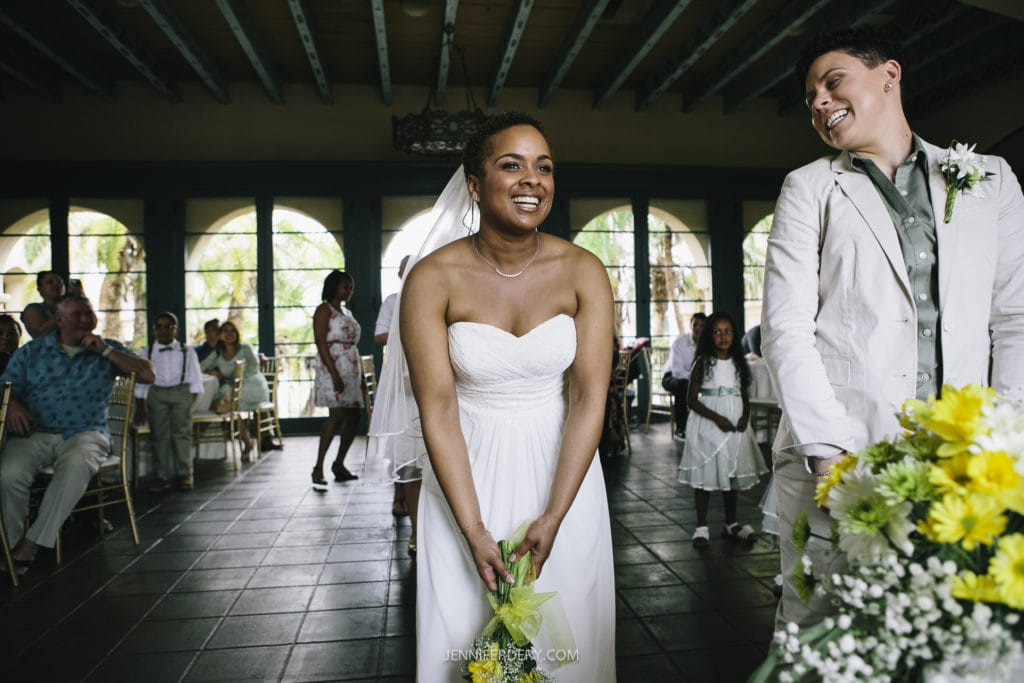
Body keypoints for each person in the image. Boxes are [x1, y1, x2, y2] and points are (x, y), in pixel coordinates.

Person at [761, 28, 1024, 630]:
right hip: (845, 457)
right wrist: (832, 458)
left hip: (963, 460)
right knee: (832, 633)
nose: (820, 104)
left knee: (951, 630)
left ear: (889, 75)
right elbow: (785, 328)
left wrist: (1003, 441)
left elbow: (1015, 320)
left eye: (832, 83)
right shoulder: (810, 188)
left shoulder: (991, 181)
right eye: (811, 100)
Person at [396, 112, 616, 681]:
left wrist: (555, 513)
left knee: (569, 643)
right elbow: (437, 408)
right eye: (511, 164)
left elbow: (591, 396)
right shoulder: (431, 279)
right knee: (463, 635)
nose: (532, 180)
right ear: (474, 184)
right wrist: (472, 529)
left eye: (543, 167)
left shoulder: (584, 271)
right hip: (465, 477)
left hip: (563, 476)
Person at [0, 295, 155, 573]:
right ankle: (11, 548)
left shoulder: (108, 350)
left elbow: (147, 374)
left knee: (74, 466)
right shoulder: (31, 352)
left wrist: (106, 352)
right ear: (59, 320)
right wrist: (11, 404)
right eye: (77, 314)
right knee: (8, 474)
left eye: (89, 313)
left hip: (85, 432)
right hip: (36, 432)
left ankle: (31, 544)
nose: (85, 319)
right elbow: (4, 386)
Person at [678, 311, 767, 548]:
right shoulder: (703, 362)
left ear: (734, 335)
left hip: (734, 424)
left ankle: (731, 523)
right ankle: (701, 526)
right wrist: (716, 418)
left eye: (727, 332)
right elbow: (691, 400)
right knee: (704, 474)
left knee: (731, 473)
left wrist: (745, 416)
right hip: (708, 423)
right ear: (709, 335)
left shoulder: (739, 362)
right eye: (717, 332)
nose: (723, 337)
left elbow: (744, 395)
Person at [374, 254, 422, 551]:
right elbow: (380, 334)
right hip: (405, 384)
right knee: (410, 462)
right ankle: (417, 530)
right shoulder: (394, 301)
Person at [134, 312, 204, 492]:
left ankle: (184, 474)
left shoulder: (187, 351)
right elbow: (141, 381)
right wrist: (140, 404)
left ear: (176, 330)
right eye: (159, 327)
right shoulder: (146, 352)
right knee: (159, 435)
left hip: (180, 391)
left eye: (169, 327)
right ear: (154, 330)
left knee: (182, 433)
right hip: (156, 393)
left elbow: (195, 378)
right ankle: (161, 475)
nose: (164, 330)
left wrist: (190, 399)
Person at [311, 270, 364, 490]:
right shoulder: (324, 310)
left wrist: (358, 377)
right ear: (333, 286)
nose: (349, 290)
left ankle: (339, 463)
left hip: (351, 368)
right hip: (332, 367)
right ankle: (318, 467)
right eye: (345, 286)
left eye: (350, 286)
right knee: (337, 415)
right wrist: (334, 374)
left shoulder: (347, 312)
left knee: (354, 416)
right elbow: (321, 342)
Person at [199, 320, 269, 458]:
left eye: (232, 331)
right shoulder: (218, 353)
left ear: (237, 334)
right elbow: (200, 368)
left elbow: (253, 367)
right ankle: (247, 442)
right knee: (230, 408)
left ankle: (246, 441)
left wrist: (234, 380)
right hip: (234, 390)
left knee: (225, 396)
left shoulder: (245, 348)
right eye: (225, 331)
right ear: (220, 335)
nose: (229, 334)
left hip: (253, 386)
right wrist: (211, 365)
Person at [662, 312, 707, 440]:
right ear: (690, 326)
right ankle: (681, 429)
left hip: (694, 379)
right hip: (671, 377)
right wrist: (697, 380)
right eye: (695, 325)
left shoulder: (708, 345)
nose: (698, 328)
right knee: (683, 385)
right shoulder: (680, 342)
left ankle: (705, 427)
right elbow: (677, 372)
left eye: (702, 325)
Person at [19, 270, 65, 339]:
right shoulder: (33, 309)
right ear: (40, 289)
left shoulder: (74, 306)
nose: (56, 284)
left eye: (59, 281)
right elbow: (42, 332)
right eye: (50, 282)